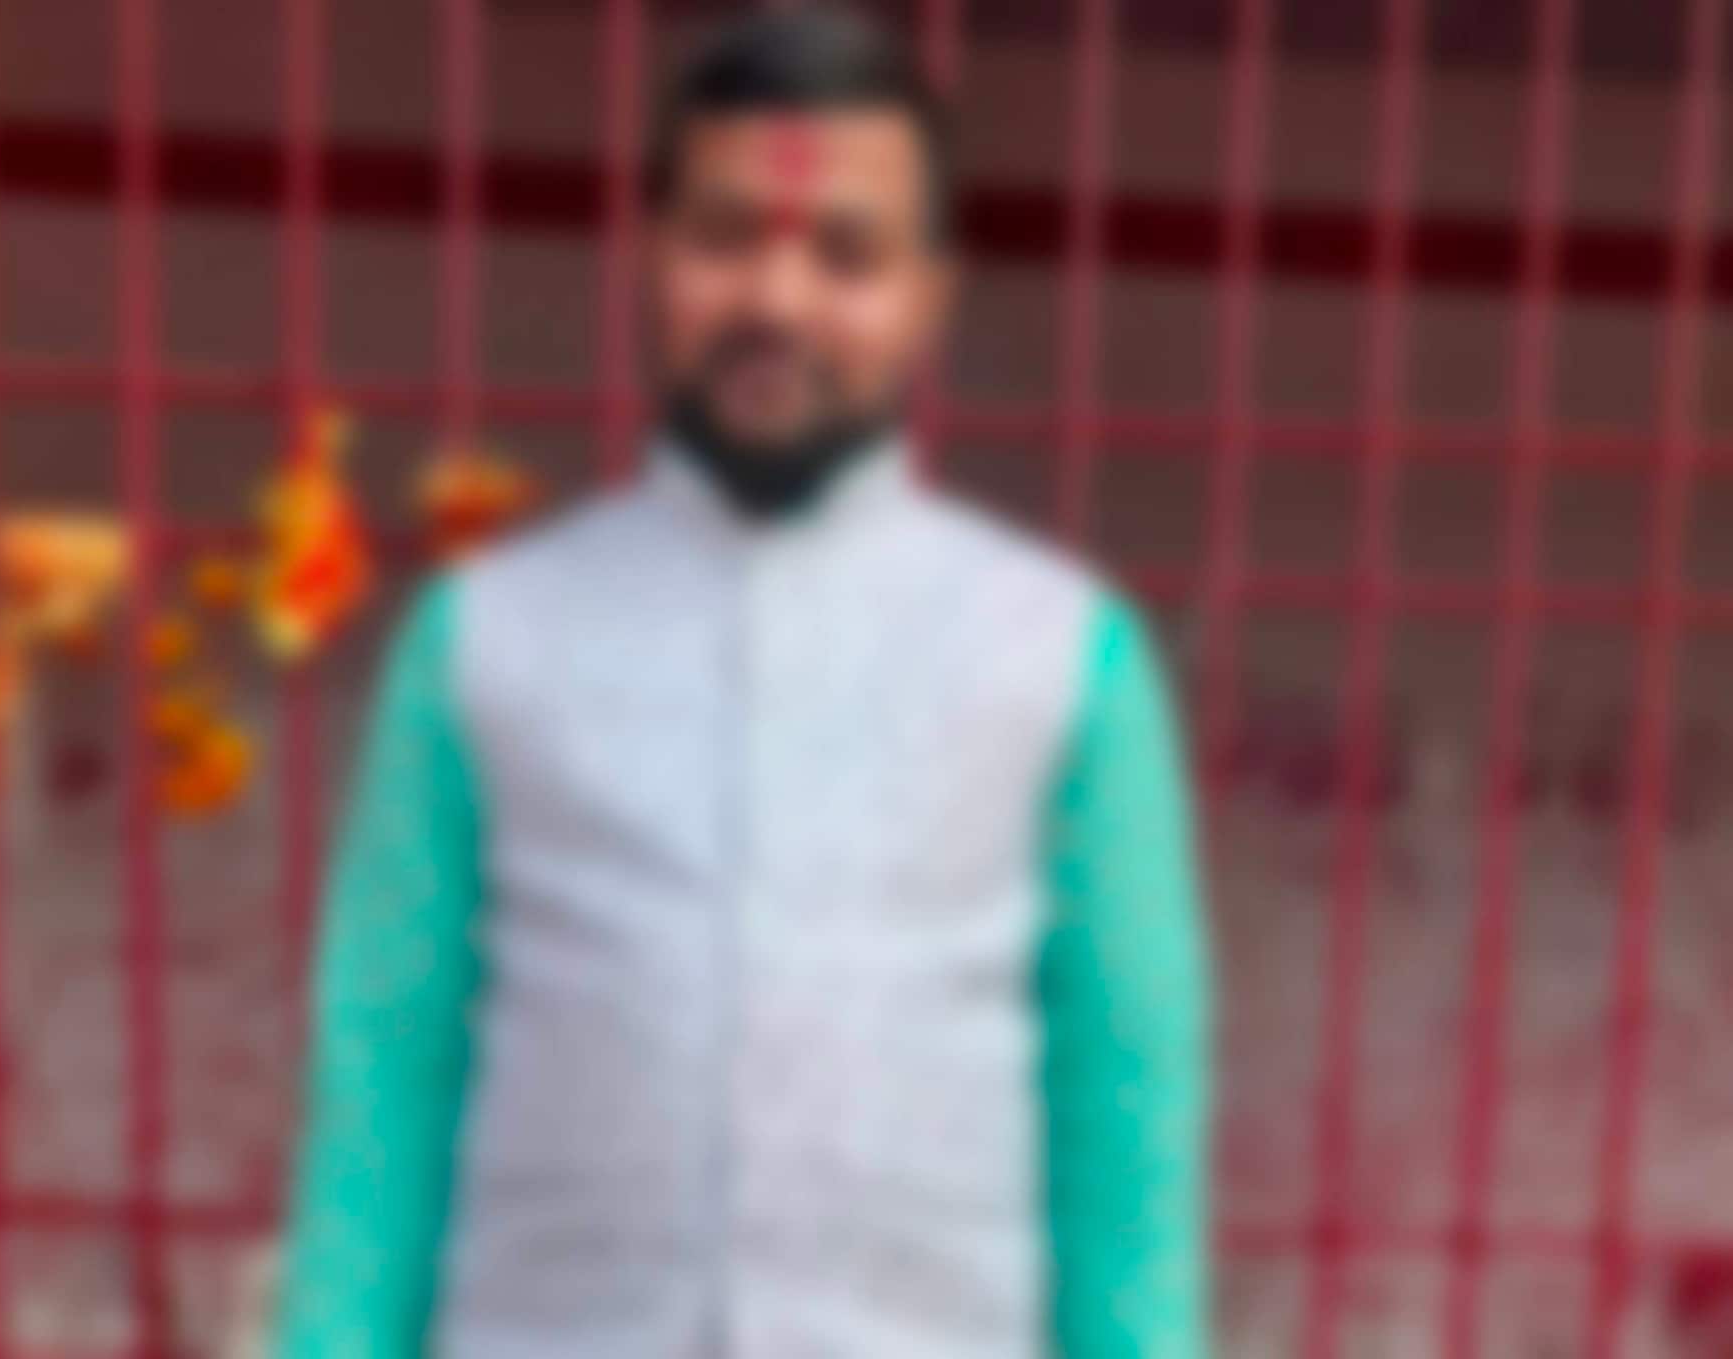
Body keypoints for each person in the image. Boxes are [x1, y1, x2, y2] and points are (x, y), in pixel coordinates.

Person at [274, 6, 1212, 1356]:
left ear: (931, 294)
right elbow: (382, 1098)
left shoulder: (1064, 658)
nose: (776, 299)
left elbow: (1127, 1145)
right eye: (725, 239)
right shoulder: (483, 641)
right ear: (650, 255)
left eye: (846, 254)